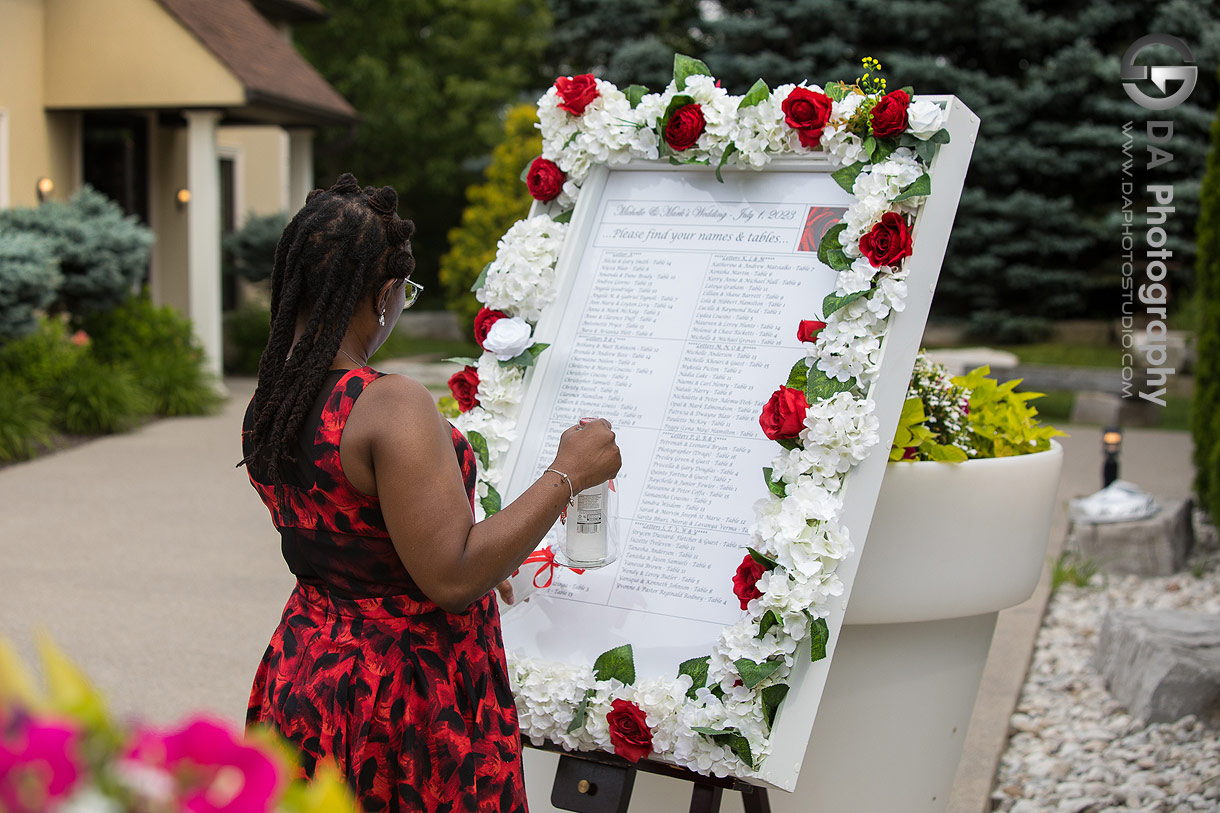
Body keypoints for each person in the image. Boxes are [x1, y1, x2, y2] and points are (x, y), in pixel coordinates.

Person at [239, 173, 620, 811]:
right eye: (404, 294)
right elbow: (449, 577)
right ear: (384, 292)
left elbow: (361, 539)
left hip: (306, 667)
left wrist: (481, 555)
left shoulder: (274, 399)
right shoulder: (389, 403)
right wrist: (568, 474)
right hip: (405, 690)